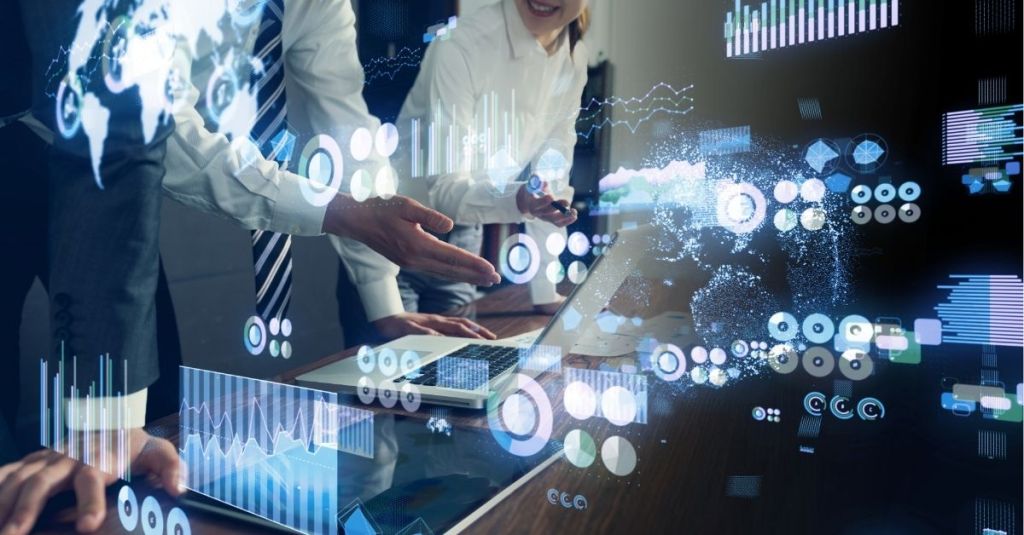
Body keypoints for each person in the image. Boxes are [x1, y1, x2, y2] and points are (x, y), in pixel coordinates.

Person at [336, 0, 589, 344]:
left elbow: (553, 179)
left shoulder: (574, 58)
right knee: (385, 391)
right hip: (389, 240)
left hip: (464, 239)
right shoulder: (462, 42)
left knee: (454, 378)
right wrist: (520, 199)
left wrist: (544, 291)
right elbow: (446, 190)